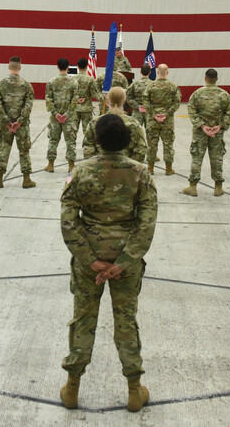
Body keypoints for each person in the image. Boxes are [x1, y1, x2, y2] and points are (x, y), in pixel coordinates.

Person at [59, 114, 157, 412]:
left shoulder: (81, 172)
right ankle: (133, 391)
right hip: (125, 265)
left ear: (97, 140)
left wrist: (90, 261)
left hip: (89, 262)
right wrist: (123, 262)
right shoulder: (141, 173)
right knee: (126, 322)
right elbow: (146, 225)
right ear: (127, 140)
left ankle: (73, 388)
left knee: (83, 321)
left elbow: (68, 221)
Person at [184, 68, 230, 197]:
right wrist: (219, 126)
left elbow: (191, 110)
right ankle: (218, 187)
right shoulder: (224, 95)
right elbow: (229, 112)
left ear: (205, 78)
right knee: (217, 158)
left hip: (201, 132)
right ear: (216, 79)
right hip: (217, 132)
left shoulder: (197, 94)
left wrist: (202, 126)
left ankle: (193, 187)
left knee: (197, 158)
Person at [0, 56, 35, 189]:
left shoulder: (0, 84)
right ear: (20, 67)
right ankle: (26, 180)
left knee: (4, 149)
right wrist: (20, 122)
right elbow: (28, 105)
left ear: (9, 67)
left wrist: (6, 121)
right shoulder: (26, 85)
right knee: (24, 150)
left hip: (6, 125)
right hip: (21, 125)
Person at [82, 87, 147, 163]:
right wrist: (130, 167)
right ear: (124, 102)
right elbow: (141, 149)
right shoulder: (134, 123)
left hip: (100, 170)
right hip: (127, 171)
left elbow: (88, 149)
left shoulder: (95, 123)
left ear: (107, 102)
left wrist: (97, 166)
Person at [144, 64, 180, 175]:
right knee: (168, 144)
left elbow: (145, 101)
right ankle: (168, 169)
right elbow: (177, 102)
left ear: (157, 72)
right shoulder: (173, 87)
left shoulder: (150, 86)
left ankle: (150, 168)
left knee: (152, 144)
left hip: (152, 120)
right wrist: (166, 114)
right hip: (167, 121)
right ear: (167, 72)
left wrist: (154, 114)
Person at [45, 58, 79, 173]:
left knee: (53, 140)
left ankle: (50, 165)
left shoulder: (51, 82)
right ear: (68, 67)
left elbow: (48, 99)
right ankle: (71, 165)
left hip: (55, 118)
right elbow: (75, 100)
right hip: (69, 118)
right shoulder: (73, 82)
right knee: (70, 141)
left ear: (57, 66)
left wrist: (56, 114)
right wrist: (67, 114)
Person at [72, 58, 102, 153]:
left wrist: (76, 99)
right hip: (86, 109)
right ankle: (87, 149)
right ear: (86, 66)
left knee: (73, 131)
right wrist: (104, 98)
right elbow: (94, 94)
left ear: (78, 66)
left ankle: (71, 149)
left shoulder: (73, 79)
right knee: (87, 131)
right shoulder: (90, 79)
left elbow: (69, 94)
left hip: (75, 109)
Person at [125, 65, 152, 131]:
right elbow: (156, 99)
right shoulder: (153, 85)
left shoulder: (134, 84)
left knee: (136, 132)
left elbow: (128, 97)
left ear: (140, 72)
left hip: (137, 111)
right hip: (149, 112)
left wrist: (138, 106)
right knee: (150, 134)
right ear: (150, 72)